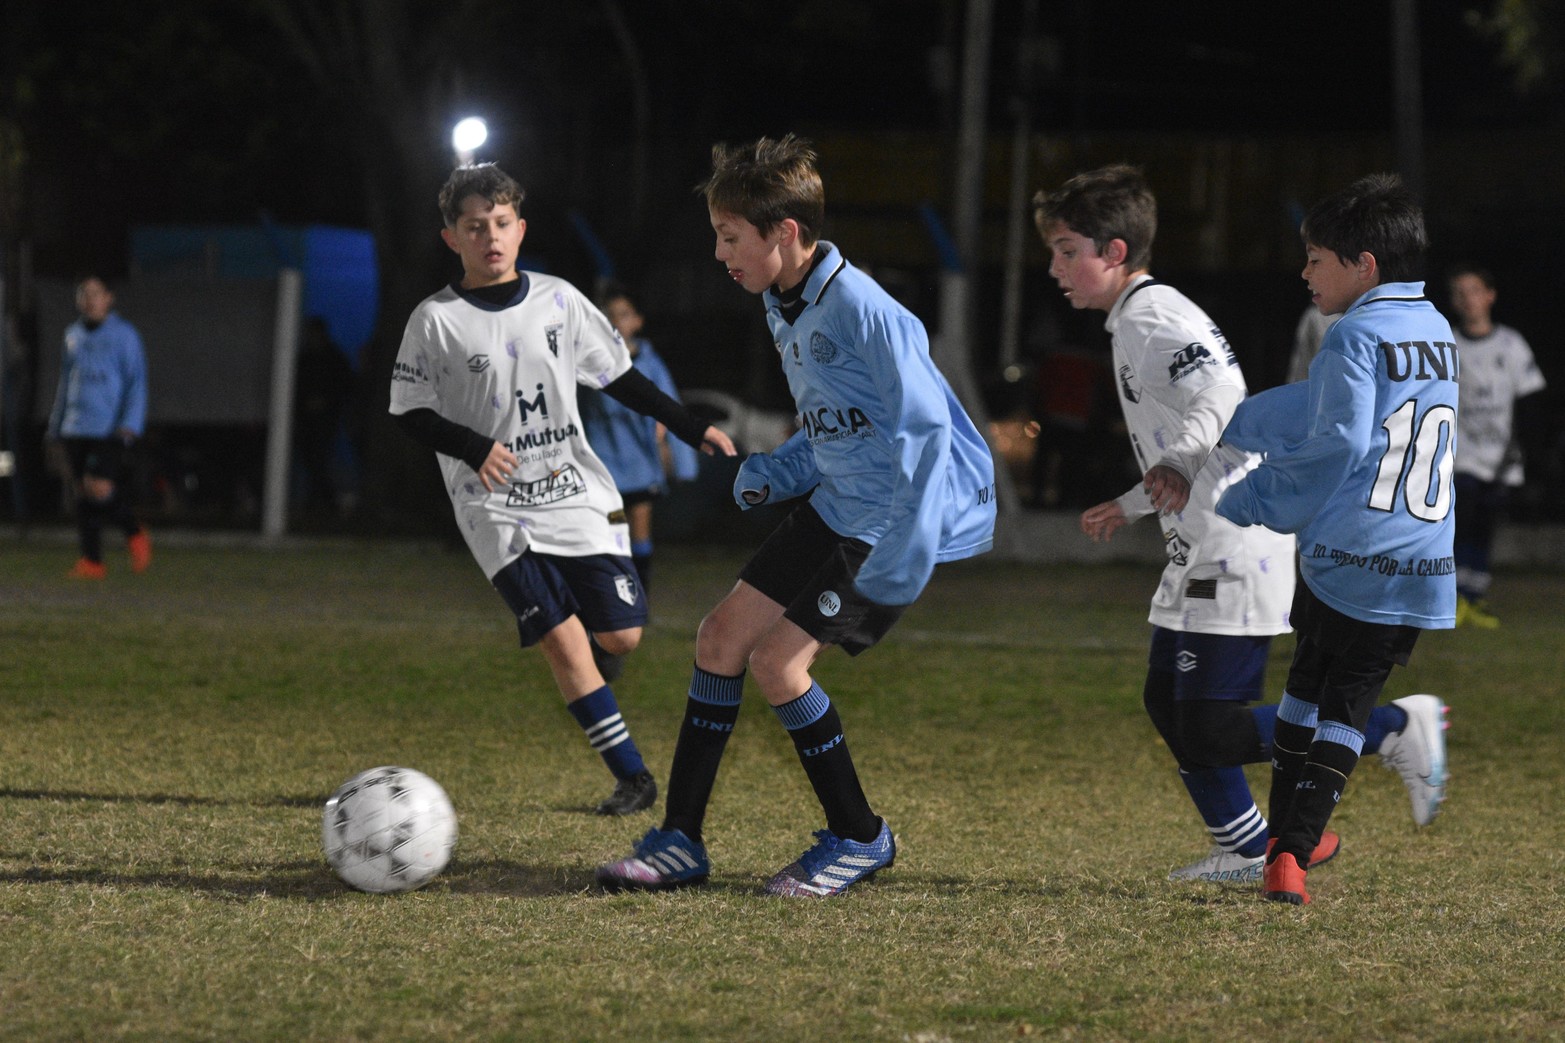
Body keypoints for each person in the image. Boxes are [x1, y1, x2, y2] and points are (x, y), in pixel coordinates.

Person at [596, 135, 997, 897]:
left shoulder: (864, 310)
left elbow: (925, 431)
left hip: (884, 520)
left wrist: (907, 549)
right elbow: (836, 423)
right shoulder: (787, 303)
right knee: (719, 638)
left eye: (729, 237)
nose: (719, 253)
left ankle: (859, 835)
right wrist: (777, 471)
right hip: (835, 503)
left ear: (783, 232)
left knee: (778, 662)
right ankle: (681, 838)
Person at [1033, 165, 1436, 886]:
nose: (1054, 266)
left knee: (1207, 724)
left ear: (1115, 251)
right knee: (1167, 700)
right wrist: (1132, 501)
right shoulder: (1135, 316)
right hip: (1199, 536)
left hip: (1231, 540)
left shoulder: (1154, 317)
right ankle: (1248, 849)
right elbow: (1185, 433)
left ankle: (1394, 728)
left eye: (1067, 249)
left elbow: (1221, 392)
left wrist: (1184, 462)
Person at [388, 163, 736, 816]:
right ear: (451, 238)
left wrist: (690, 427)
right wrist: (472, 445)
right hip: (491, 505)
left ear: (519, 229)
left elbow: (620, 379)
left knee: (623, 636)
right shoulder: (434, 321)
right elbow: (408, 411)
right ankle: (633, 777)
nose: (488, 236)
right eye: (473, 226)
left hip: (572, 491)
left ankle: (594, 688)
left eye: (499, 223)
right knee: (562, 638)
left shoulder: (558, 300)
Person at [1216, 173, 1454, 905]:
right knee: (1340, 701)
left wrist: (1253, 493)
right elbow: (1336, 407)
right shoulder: (1436, 328)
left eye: (1316, 257)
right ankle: (1293, 842)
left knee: (1308, 691)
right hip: (1420, 557)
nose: (1305, 271)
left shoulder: (1351, 330)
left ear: (1364, 265)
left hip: (1348, 549)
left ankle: (1286, 850)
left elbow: (1338, 438)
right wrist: (1245, 420)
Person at [1445, 265, 1548, 628]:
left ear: (1490, 295)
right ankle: (1456, 597)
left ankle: (1476, 596)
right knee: (1461, 518)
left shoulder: (1512, 344)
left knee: (1485, 526)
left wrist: (1528, 453)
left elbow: (1531, 401)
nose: (1467, 299)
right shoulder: (1448, 344)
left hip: (1502, 457)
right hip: (1461, 456)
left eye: (1474, 290)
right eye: (1460, 292)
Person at [579, 286, 699, 592]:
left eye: (623, 314)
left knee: (640, 529)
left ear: (637, 321)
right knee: (611, 531)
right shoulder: (589, 358)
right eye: (608, 316)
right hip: (603, 462)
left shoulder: (650, 362)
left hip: (640, 463)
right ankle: (612, 594)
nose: (615, 321)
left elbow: (670, 406)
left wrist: (682, 460)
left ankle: (639, 593)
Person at [47, 275, 151, 579]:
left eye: (96, 293)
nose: (90, 299)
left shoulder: (124, 335)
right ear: (78, 300)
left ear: (109, 298)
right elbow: (66, 383)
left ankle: (134, 532)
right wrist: (56, 424)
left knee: (98, 486)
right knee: (84, 493)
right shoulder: (72, 335)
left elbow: (136, 381)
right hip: (75, 426)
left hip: (109, 428)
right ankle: (92, 561)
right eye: (84, 294)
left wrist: (130, 423)